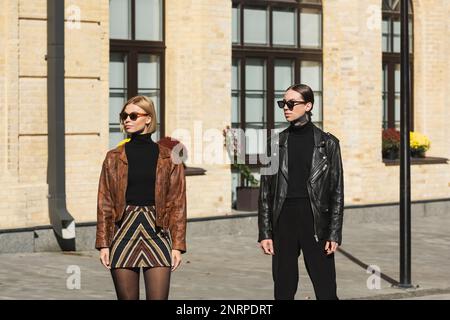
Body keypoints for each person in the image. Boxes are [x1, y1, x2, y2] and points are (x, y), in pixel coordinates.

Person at [95, 95, 187, 300]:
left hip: (157, 231)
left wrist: (177, 246)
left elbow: (177, 202)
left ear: (148, 118)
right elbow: (105, 202)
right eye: (124, 116)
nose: (127, 119)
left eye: (133, 115)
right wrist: (103, 243)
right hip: (123, 230)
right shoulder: (113, 157)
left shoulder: (169, 157)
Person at [258, 84, 344, 300]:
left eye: (291, 103)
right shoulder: (274, 144)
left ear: (308, 105)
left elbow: (337, 191)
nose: (285, 108)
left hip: (315, 221)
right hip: (284, 221)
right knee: (283, 289)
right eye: (283, 104)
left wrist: (334, 232)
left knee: (326, 289)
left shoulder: (328, 144)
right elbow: (265, 192)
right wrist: (265, 232)